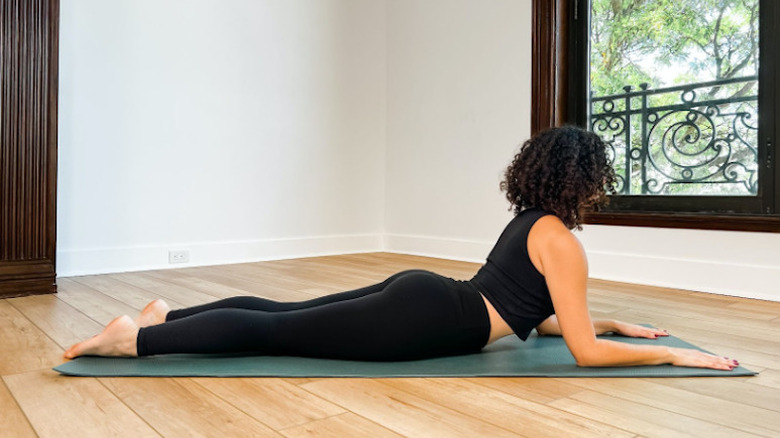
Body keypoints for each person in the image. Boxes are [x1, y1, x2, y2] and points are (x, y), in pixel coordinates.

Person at [64, 126, 738, 371]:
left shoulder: (530, 221)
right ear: (584, 182)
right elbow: (584, 354)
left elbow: (535, 315)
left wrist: (611, 320)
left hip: (428, 293)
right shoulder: (562, 241)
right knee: (278, 333)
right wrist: (671, 353)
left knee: (283, 311)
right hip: (433, 317)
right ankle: (137, 340)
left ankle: (166, 316)